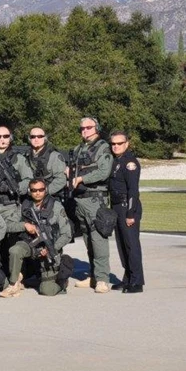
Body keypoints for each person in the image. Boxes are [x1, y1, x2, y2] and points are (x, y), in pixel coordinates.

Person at [0, 178, 73, 297]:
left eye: (41, 189)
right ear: (29, 191)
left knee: (47, 290)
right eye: (34, 190)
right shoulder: (25, 205)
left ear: (46, 190)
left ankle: (62, 282)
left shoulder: (55, 206)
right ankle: (13, 284)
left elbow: (67, 234)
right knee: (15, 250)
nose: (37, 193)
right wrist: (24, 225)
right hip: (30, 243)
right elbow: (8, 225)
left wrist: (51, 248)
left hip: (50, 247)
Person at [69, 117, 114, 293]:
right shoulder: (79, 149)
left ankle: (103, 278)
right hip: (80, 199)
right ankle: (94, 275)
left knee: (98, 238)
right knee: (88, 239)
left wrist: (81, 178)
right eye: (82, 128)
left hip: (96, 199)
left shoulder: (102, 147)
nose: (84, 131)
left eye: (88, 128)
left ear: (97, 128)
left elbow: (104, 172)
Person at [109, 131, 144, 293]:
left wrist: (130, 214)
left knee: (131, 245)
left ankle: (137, 281)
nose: (116, 146)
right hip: (116, 206)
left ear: (127, 144)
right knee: (122, 245)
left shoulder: (130, 163)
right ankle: (127, 278)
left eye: (119, 143)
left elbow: (133, 191)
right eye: (113, 144)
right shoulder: (117, 161)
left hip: (127, 206)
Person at [21, 127, 67, 198]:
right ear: (29, 139)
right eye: (33, 137)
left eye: (39, 136)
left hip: (50, 197)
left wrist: (44, 191)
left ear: (44, 138)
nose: (36, 139)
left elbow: (61, 180)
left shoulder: (54, 156)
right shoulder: (25, 156)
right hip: (29, 197)